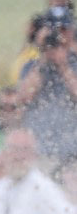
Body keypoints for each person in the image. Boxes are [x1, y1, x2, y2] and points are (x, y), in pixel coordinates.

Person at [17, 23, 77, 162]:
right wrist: (42, 61)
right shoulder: (32, 67)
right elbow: (24, 98)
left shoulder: (73, 65)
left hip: (71, 149)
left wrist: (63, 66)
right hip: (39, 149)